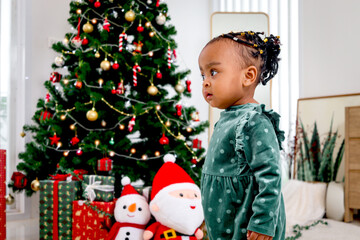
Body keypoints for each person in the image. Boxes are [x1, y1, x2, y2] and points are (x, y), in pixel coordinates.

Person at [199, 31, 286, 240]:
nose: (205, 82)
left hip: (247, 222)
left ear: (248, 76)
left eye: (214, 72)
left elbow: (270, 176)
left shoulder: (254, 121)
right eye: (203, 75)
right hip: (223, 216)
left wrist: (263, 221)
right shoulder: (226, 118)